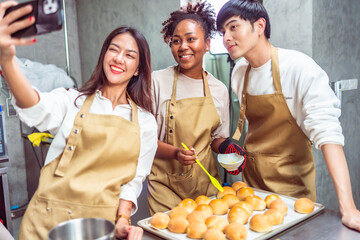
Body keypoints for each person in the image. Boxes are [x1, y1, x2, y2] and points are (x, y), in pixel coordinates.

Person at [0, 1, 157, 239]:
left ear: (137, 69)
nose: (118, 59)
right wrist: (7, 61)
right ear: (104, 55)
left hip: (98, 228)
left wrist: (123, 219)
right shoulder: (71, 101)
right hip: (45, 223)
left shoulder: (145, 123)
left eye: (129, 55)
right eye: (113, 49)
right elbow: (33, 104)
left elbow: (133, 181)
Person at [216, 0, 360, 231]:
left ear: (260, 25)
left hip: (293, 194)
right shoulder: (239, 73)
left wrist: (349, 208)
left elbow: (328, 135)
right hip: (252, 192)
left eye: (233, 27)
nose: (226, 38)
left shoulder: (299, 68)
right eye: (222, 31)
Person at [147, 1, 246, 215]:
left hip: (206, 188)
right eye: (176, 41)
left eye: (191, 39)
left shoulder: (218, 89)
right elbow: (142, 139)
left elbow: (215, 138)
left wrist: (228, 147)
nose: (183, 47)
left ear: (207, 44)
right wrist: (174, 153)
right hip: (165, 189)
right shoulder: (156, 82)